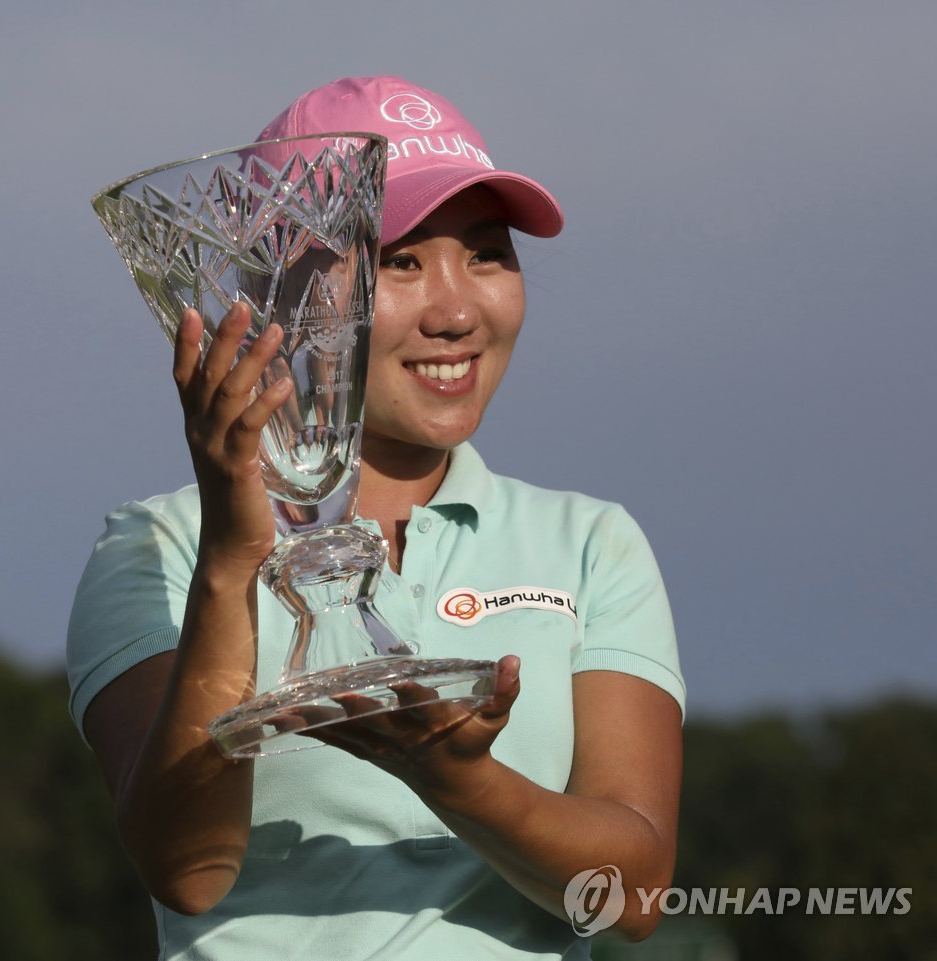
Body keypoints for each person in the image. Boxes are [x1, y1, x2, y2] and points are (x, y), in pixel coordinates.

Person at [67, 75, 685, 960]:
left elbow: (636, 895)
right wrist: (233, 557)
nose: (457, 310)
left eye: (486, 254)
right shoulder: (154, 545)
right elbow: (187, 868)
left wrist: (458, 780)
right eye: (399, 260)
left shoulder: (592, 544)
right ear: (273, 289)